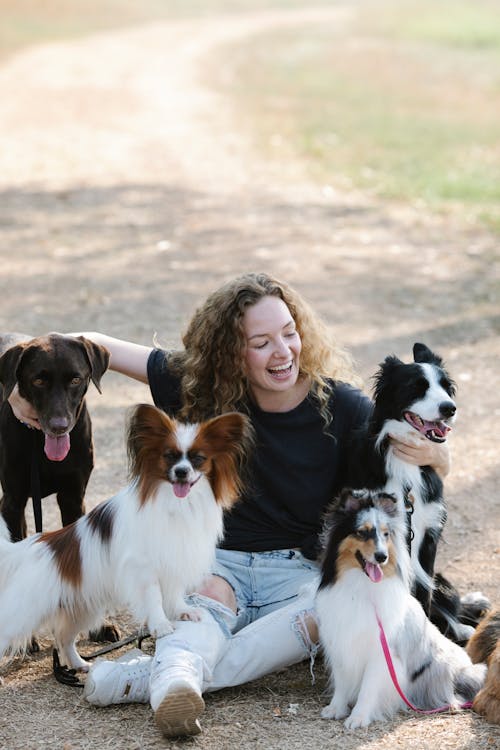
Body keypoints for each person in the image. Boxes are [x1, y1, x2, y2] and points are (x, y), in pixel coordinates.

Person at [8, 272, 450, 738]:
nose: (282, 351)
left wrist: (439, 455)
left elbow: (409, 461)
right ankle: (175, 681)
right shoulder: (199, 388)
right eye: (261, 342)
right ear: (231, 353)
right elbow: (91, 343)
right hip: (221, 563)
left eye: (289, 332)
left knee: (329, 613)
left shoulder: (340, 405)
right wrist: (20, 391)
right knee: (202, 610)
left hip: (295, 570)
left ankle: (148, 679)